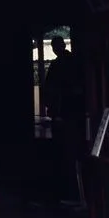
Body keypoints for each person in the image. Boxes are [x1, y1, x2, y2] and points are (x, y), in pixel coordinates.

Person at [43, 36, 86, 203]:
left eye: (56, 45)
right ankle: (68, 194)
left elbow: (56, 90)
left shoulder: (68, 64)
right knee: (65, 155)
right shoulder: (61, 64)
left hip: (69, 115)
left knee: (68, 155)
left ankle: (73, 195)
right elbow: (50, 90)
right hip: (65, 115)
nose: (55, 48)